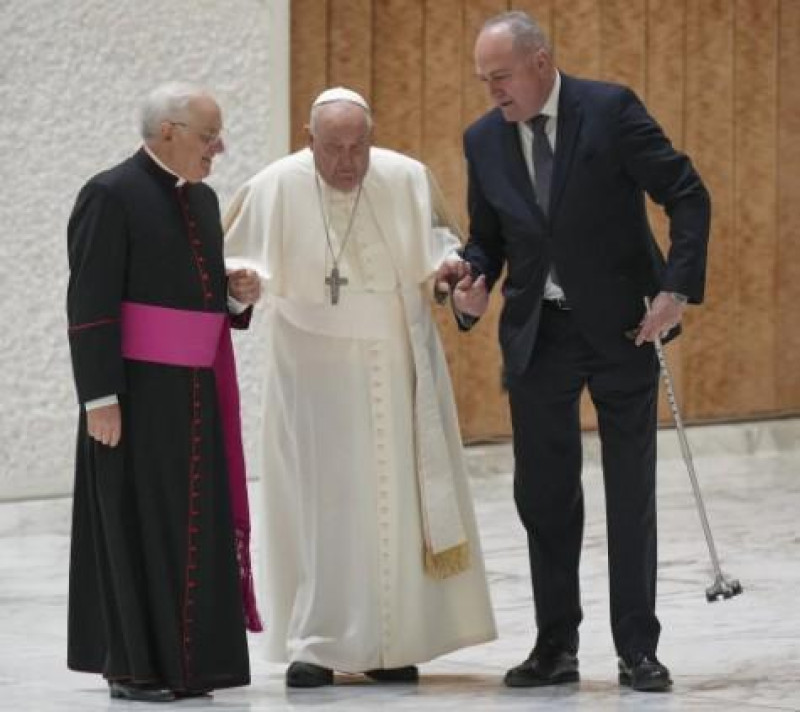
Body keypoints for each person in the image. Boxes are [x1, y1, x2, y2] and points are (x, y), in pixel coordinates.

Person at [436, 11, 711, 692]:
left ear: (540, 62)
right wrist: (471, 283)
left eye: (502, 76)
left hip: (624, 327)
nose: (493, 91)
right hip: (540, 335)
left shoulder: (609, 110)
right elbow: (488, 240)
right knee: (545, 495)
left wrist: (675, 290)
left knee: (630, 491)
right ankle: (555, 646)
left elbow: (686, 194)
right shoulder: (483, 139)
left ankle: (637, 650)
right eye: (484, 80)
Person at [223, 87, 497, 688]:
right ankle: (316, 643)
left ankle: (392, 643)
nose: (347, 162)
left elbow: (443, 261)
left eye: (358, 147)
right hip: (311, 376)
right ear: (308, 139)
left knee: (396, 505)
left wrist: (450, 278)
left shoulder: (406, 178)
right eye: (333, 148)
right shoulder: (273, 186)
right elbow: (229, 276)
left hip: (398, 366)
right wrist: (237, 289)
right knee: (320, 506)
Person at [65, 82, 263, 702]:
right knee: (138, 530)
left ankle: (189, 666)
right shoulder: (109, 194)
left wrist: (234, 298)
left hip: (196, 395)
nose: (219, 148)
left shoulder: (202, 199)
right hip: (135, 398)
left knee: (190, 530)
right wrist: (99, 398)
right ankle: (136, 669)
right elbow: (90, 302)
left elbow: (193, 294)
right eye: (210, 136)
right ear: (169, 131)